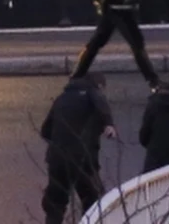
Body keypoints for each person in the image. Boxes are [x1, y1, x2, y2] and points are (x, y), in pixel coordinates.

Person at [40, 74, 116, 224]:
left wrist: (61, 141)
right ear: (99, 86)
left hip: (57, 158)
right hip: (82, 158)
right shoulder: (92, 92)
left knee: (56, 202)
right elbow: (100, 103)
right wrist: (108, 124)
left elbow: (45, 131)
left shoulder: (61, 98)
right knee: (94, 200)